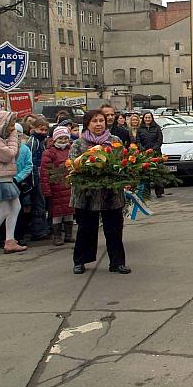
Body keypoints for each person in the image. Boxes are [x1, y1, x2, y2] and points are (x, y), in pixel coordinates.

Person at [70, 109, 130, 274]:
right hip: (86, 194)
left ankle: (117, 263)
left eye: (101, 121)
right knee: (85, 229)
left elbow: (122, 162)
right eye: (94, 121)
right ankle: (80, 261)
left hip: (111, 194)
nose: (98, 124)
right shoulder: (79, 144)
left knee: (114, 230)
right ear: (87, 124)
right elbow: (73, 166)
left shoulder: (114, 141)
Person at [0, 111, 25, 256]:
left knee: (16, 207)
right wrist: (14, 138)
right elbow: (9, 155)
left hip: (5, 177)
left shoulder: (2, 138)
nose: (12, 128)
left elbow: (15, 155)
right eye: (10, 125)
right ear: (2, 125)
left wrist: (13, 140)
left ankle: (10, 241)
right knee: (3, 211)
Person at [0, 123, 33, 248]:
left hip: (18, 183)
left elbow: (29, 165)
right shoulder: (1, 149)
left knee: (18, 211)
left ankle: (17, 236)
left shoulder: (25, 149)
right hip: (4, 181)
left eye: (17, 133)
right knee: (4, 210)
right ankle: (3, 238)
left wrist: (18, 178)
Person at [40, 126, 76, 246]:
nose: (63, 140)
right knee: (57, 213)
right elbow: (44, 172)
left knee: (69, 212)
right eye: (60, 138)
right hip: (55, 186)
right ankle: (57, 235)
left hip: (69, 185)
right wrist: (46, 188)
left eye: (65, 138)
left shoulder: (71, 150)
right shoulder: (49, 153)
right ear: (55, 139)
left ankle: (69, 234)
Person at [26, 116, 50, 241]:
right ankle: (38, 231)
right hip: (36, 177)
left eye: (46, 130)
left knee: (42, 204)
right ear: (34, 128)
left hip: (41, 175)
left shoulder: (41, 141)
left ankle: (42, 229)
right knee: (38, 204)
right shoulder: (33, 142)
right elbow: (30, 161)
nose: (44, 133)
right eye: (41, 130)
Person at [137, 112, 164, 198]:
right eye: (146, 118)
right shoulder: (140, 129)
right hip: (144, 153)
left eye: (149, 117)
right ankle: (146, 193)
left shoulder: (157, 128)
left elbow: (159, 140)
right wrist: (143, 150)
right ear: (143, 119)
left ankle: (159, 192)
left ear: (152, 118)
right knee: (146, 174)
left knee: (157, 172)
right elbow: (138, 141)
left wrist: (153, 149)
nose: (147, 119)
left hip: (156, 153)